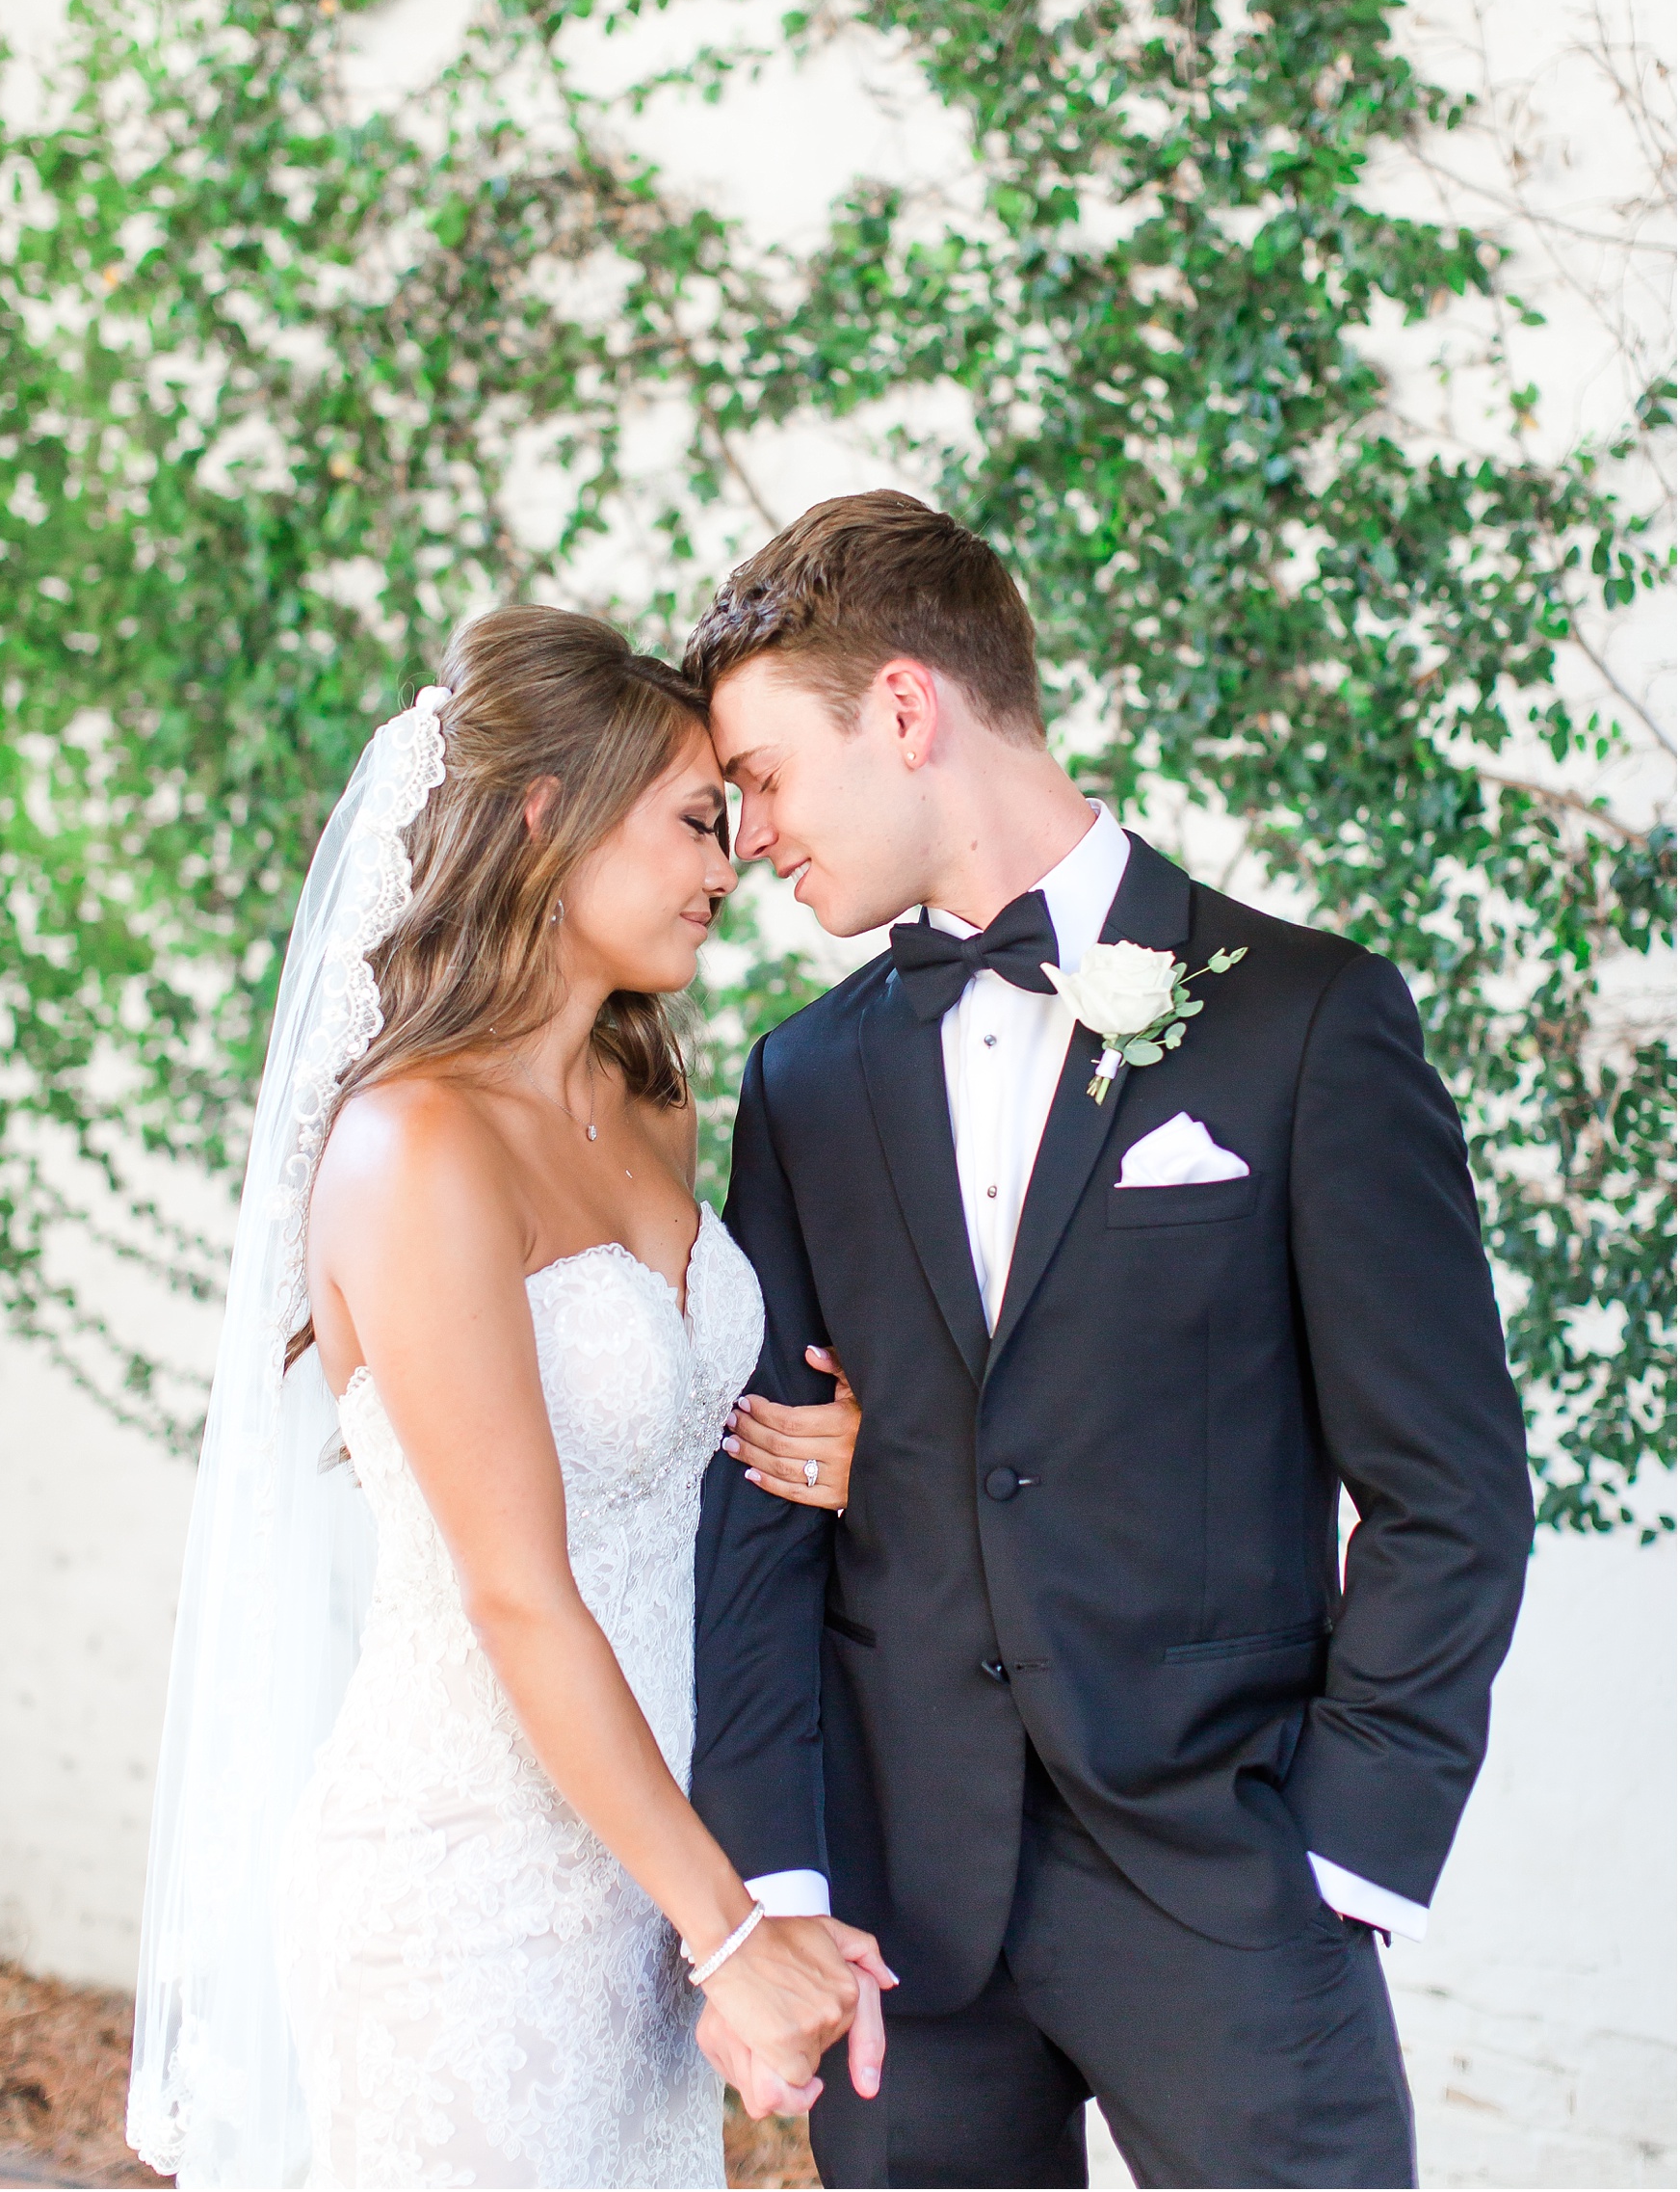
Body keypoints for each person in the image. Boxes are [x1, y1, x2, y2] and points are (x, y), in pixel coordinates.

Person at [689, 491, 1536, 2191]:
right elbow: (761, 1508)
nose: (749, 833)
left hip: (1227, 1892)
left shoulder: (1306, 1021)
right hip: (899, 1922)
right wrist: (776, 1883)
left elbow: (1450, 1489)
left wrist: (1344, 1858)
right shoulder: (801, 1078)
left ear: (908, 709)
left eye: (766, 773)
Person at [128, 607, 885, 2192]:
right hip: (462, 1890)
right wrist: (731, 1925)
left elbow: (691, 1449)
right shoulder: (414, 1149)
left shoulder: (655, 1103)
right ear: (546, 813)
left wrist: (833, 1450)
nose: (728, 864)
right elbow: (516, 1590)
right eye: (694, 820)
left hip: (640, 1873)